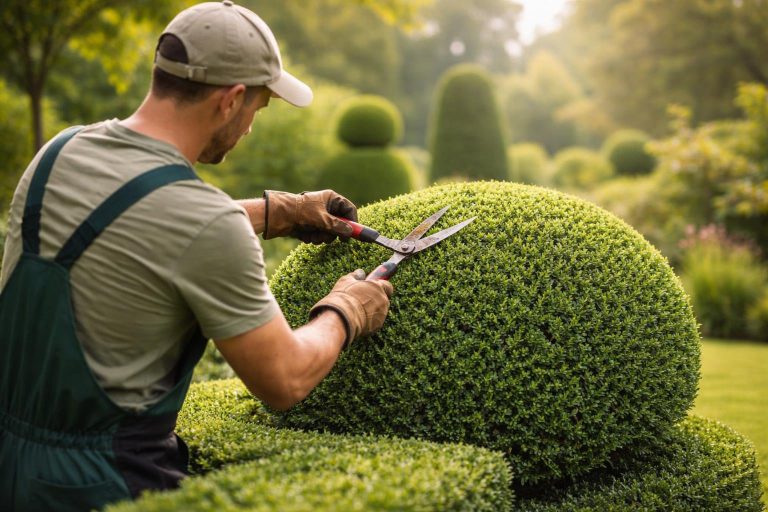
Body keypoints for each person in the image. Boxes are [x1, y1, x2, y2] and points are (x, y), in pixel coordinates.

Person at [0, 1, 394, 510]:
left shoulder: (58, 153)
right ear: (230, 100)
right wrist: (347, 308)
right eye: (258, 106)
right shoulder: (207, 224)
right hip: (106, 488)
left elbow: (136, 224)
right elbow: (285, 378)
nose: (251, 124)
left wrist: (281, 211)